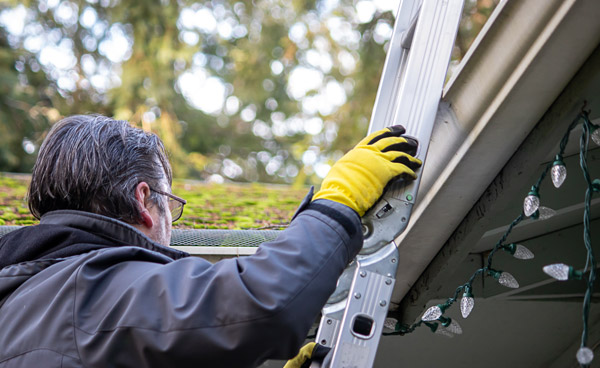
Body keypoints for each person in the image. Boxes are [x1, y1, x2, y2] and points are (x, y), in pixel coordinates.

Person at [0, 114, 420, 367]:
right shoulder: (91, 289)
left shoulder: (22, 303)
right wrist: (336, 205)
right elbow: (262, 303)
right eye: (171, 204)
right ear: (144, 201)